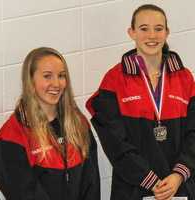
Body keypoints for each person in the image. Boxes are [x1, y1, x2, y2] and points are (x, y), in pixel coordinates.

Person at [86, 4, 195, 200]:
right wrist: (150, 180)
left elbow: (194, 135)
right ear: (132, 32)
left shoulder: (185, 78)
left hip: (180, 188)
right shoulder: (114, 80)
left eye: (158, 28)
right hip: (132, 189)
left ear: (167, 32)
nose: (152, 35)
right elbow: (115, 143)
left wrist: (179, 174)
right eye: (144, 28)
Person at [0, 47, 100, 200]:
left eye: (61, 76)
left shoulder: (78, 123)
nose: (56, 84)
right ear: (30, 80)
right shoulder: (12, 137)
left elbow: (92, 184)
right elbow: (23, 194)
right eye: (47, 76)